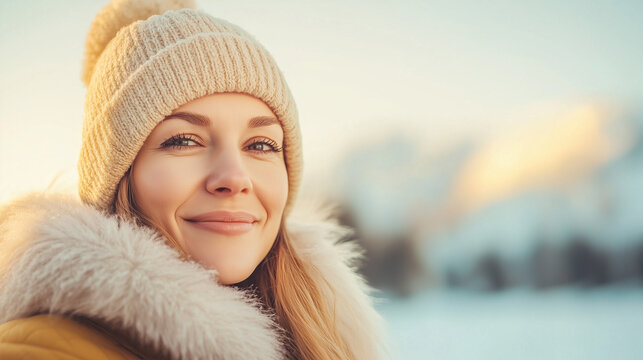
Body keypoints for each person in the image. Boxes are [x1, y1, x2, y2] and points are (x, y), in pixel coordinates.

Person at [0, 0, 385, 359]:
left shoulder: (321, 337)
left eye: (261, 144)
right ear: (117, 176)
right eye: (184, 140)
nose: (234, 178)